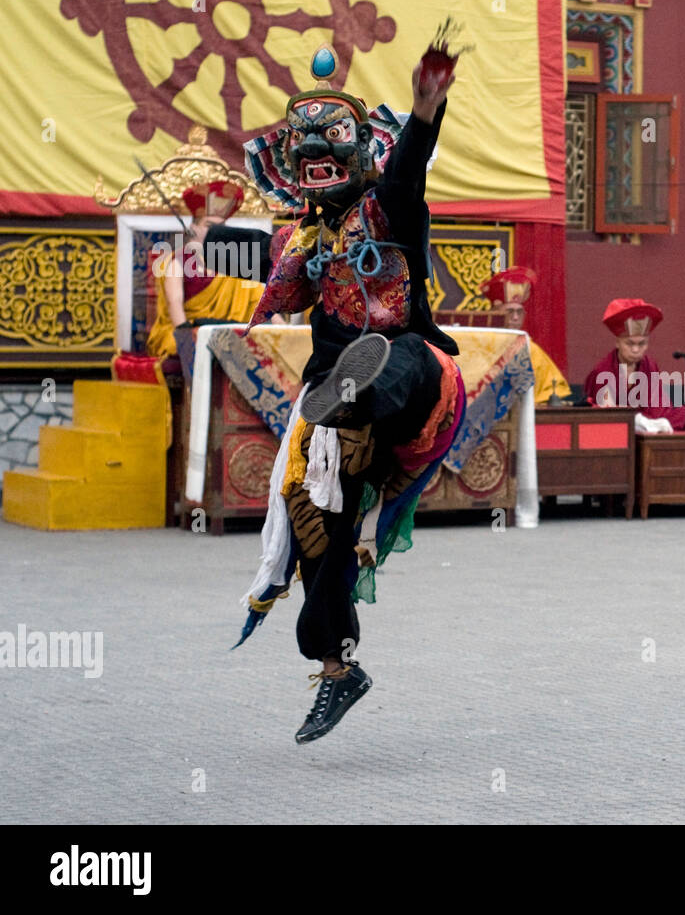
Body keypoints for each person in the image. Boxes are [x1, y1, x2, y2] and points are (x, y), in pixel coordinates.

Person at [203, 44, 465, 744]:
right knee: (315, 530)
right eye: (304, 142)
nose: (317, 150)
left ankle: (357, 385)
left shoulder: (386, 208)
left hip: (414, 377)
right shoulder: (302, 238)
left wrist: (425, 110)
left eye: (333, 139)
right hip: (332, 407)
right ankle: (336, 665)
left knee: (396, 360)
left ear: (362, 155)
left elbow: (408, 172)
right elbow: (273, 306)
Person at [144, 180, 270, 358]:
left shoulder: (233, 262)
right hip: (185, 330)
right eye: (209, 226)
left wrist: (283, 330)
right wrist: (187, 339)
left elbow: (259, 299)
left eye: (221, 228)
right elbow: (175, 304)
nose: (216, 233)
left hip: (228, 332)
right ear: (193, 228)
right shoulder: (178, 262)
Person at [585, 298, 685, 431]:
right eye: (629, 343)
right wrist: (637, 420)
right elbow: (607, 411)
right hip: (618, 424)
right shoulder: (603, 370)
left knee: (683, 411)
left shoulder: (649, 365)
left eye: (641, 344)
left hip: (647, 420)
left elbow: (658, 406)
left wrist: (652, 422)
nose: (635, 349)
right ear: (617, 342)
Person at [483, 266, 572, 406]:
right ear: (495, 313)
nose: (516, 317)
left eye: (520, 312)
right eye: (510, 312)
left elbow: (552, 391)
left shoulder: (531, 350)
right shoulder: (481, 346)